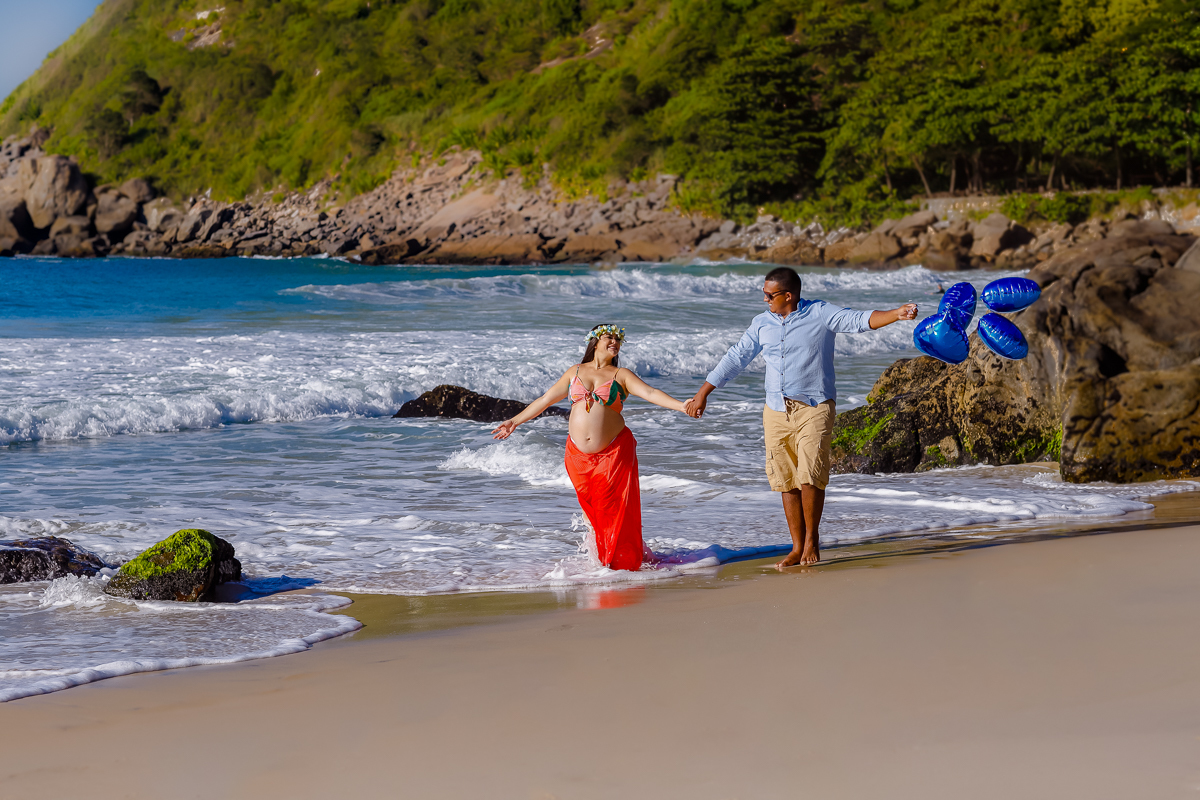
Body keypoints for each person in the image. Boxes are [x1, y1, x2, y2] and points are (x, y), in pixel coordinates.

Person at [685, 267, 918, 568]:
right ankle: (797, 546)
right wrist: (704, 392)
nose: (765, 300)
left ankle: (812, 540)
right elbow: (736, 357)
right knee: (786, 481)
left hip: (815, 407)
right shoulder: (762, 323)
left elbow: (859, 320)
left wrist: (896, 313)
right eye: (764, 294)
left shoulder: (820, 313)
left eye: (769, 295)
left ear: (788, 296)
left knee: (810, 476)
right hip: (776, 411)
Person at [493, 324, 696, 571]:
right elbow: (546, 400)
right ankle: (600, 561)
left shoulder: (622, 375)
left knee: (613, 509)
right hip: (578, 456)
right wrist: (515, 421)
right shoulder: (575, 372)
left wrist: (681, 406)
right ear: (595, 342)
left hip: (613, 451)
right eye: (609, 337)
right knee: (592, 513)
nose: (615, 342)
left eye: (618, 339)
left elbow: (650, 392)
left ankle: (617, 561)